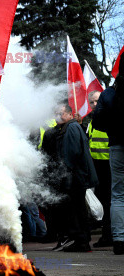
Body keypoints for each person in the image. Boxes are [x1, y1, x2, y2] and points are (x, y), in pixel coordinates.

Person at [41, 104, 98, 252]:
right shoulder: (68, 127)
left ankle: (81, 241)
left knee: (77, 211)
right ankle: (81, 241)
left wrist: (65, 176)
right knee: (77, 210)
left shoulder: (71, 128)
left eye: (61, 114)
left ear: (69, 114)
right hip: (75, 177)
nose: (57, 117)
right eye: (56, 114)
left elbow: (71, 155)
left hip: (75, 178)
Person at [93, 60, 124, 255]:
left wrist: (113, 130)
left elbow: (97, 122)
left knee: (118, 194)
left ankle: (119, 240)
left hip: (117, 145)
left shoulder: (108, 94)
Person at [85, 90, 113, 247]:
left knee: (109, 202)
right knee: (104, 202)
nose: (94, 104)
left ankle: (109, 236)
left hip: (109, 166)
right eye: (92, 102)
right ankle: (107, 235)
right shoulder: (91, 123)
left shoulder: (107, 118)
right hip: (97, 168)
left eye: (96, 101)